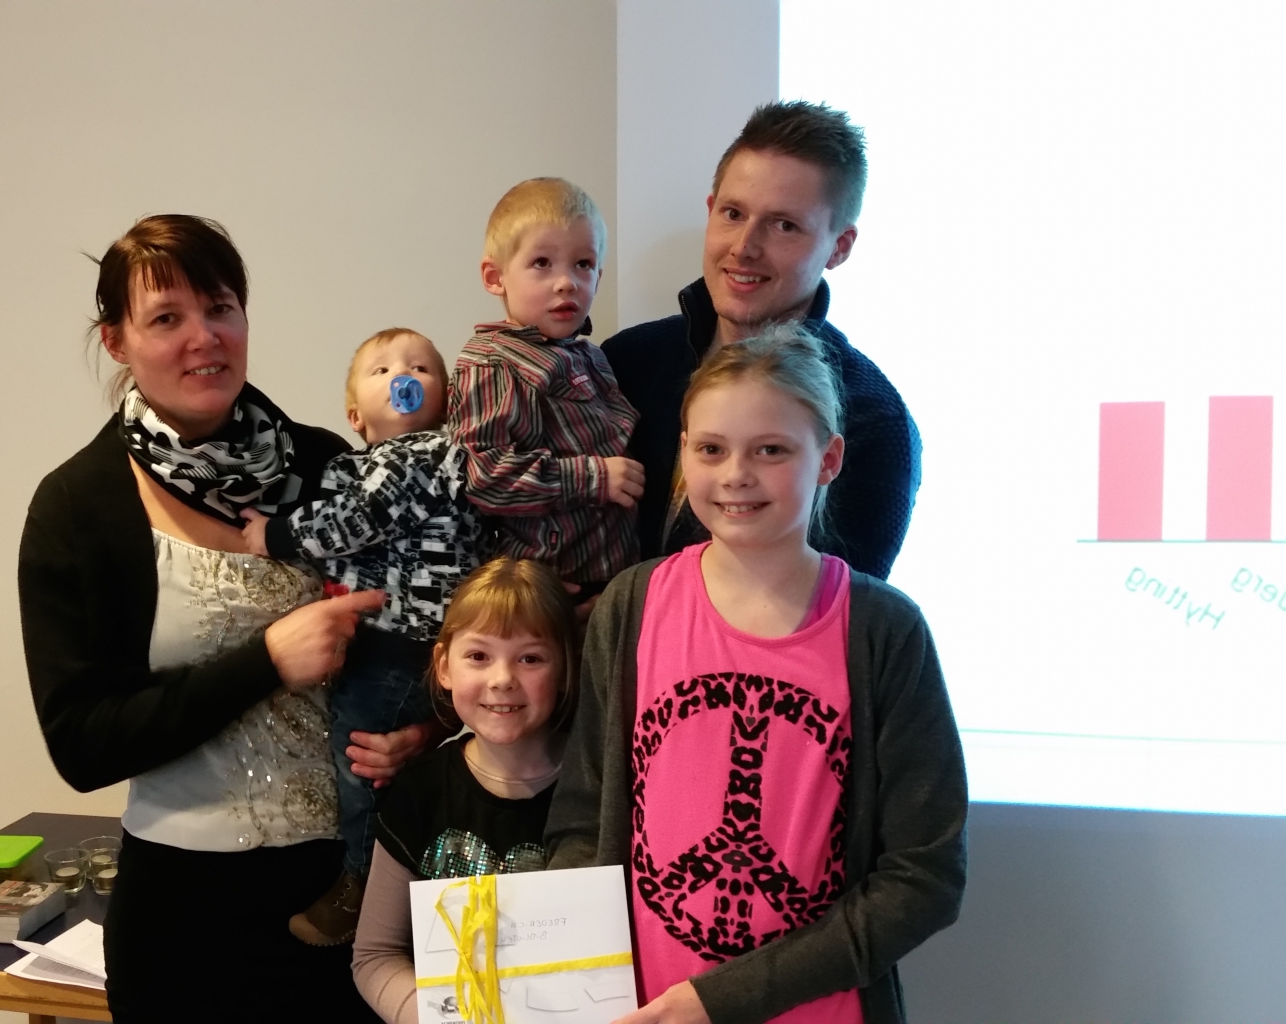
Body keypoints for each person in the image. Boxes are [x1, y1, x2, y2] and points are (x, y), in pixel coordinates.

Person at [17, 215, 432, 1022]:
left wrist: (421, 732)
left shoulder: (330, 465)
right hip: (183, 922)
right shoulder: (77, 505)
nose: (203, 338)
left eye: (220, 308)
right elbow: (82, 744)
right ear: (116, 341)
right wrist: (265, 662)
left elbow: (427, 637)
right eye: (166, 318)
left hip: (355, 899)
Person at [545, 325, 965, 1024]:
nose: (736, 474)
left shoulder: (885, 632)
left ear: (828, 459)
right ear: (683, 453)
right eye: (711, 449)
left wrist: (719, 1001)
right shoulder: (633, 605)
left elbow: (925, 877)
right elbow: (583, 822)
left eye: (771, 450)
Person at [601, 101, 920, 580]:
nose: (744, 247)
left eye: (784, 225)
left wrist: (620, 608)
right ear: (710, 211)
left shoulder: (873, 422)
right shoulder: (625, 363)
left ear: (839, 247)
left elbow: (844, 613)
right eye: (733, 213)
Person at [239, 327, 481, 946]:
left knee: (362, 762)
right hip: (394, 641)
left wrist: (273, 535)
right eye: (382, 370)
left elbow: (354, 522)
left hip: (401, 642)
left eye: (421, 367)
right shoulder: (361, 466)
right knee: (378, 762)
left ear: (445, 399)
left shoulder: (425, 455)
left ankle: (363, 886)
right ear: (355, 415)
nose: (403, 376)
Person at [350, 557, 579, 1024]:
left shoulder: (599, 787)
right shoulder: (421, 790)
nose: (502, 679)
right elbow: (375, 956)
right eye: (478, 656)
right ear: (445, 666)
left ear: (564, 669)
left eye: (530, 658)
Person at [448, 177, 645, 592]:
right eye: (542, 263)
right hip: (543, 586)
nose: (566, 282)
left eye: (583, 264)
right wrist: (593, 478)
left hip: (614, 575)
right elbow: (483, 476)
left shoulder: (592, 355)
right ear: (495, 277)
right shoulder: (494, 363)